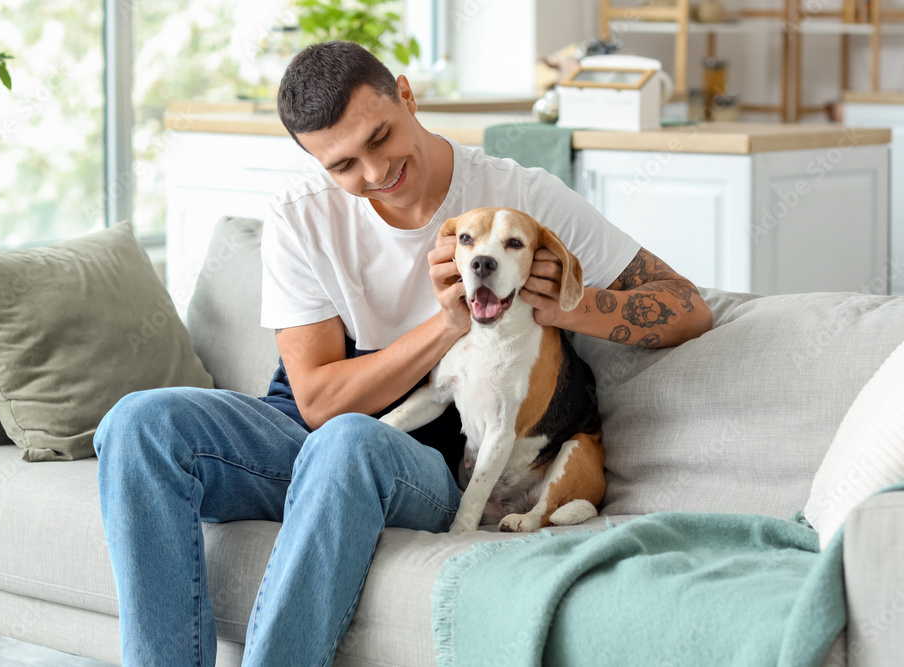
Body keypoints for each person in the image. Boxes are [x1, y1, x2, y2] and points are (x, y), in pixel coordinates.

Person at [94, 40, 714, 667]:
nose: (373, 172)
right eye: (342, 165)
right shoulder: (300, 217)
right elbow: (316, 403)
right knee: (138, 424)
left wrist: (571, 306)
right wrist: (449, 325)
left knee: (352, 442)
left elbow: (687, 305)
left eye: (381, 136)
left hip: (429, 459)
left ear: (407, 95)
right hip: (308, 438)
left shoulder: (519, 199)